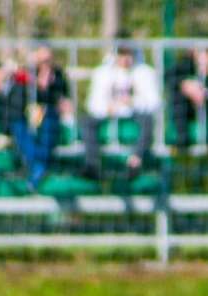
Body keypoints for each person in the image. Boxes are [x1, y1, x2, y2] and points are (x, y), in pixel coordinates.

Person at [82, 45, 162, 178]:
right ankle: (92, 163)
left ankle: (136, 161)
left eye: (129, 54)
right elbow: (92, 104)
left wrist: (133, 102)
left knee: (147, 121)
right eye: (122, 54)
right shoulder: (102, 73)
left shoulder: (144, 73)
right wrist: (107, 108)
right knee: (87, 121)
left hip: (135, 113)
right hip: (109, 114)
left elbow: (154, 103)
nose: (126, 59)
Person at [10, 47, 73, 189]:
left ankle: (38, 168)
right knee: (18, 126)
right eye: (42, 61)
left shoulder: (58, 76)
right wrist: (37, 85)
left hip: (49, 118)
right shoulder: (26, 75)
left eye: (48, 60)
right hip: (25, 117)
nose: (46, 64)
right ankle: (39, 166)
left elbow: (62, 99)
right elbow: (17, 101)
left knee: (49, 121)